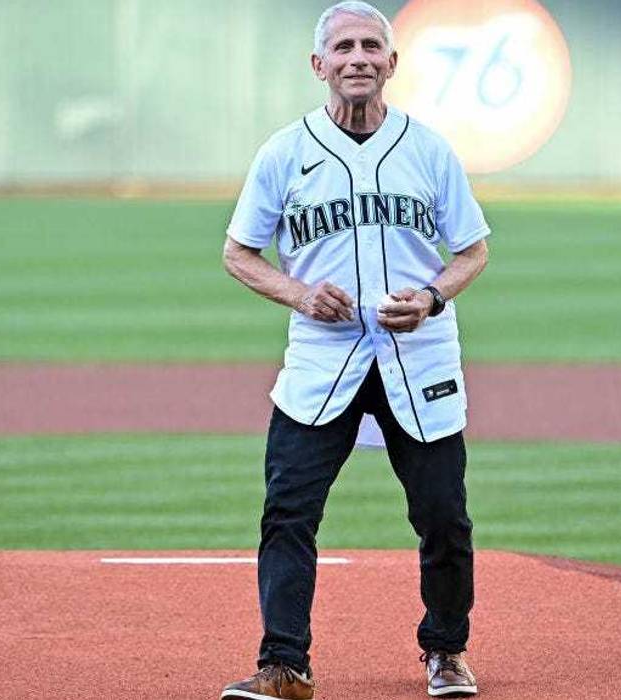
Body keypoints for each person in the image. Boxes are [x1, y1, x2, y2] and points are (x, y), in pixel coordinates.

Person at [219, 2, 490, 698]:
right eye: (343, 47)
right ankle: (284, 663)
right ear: (320, 65)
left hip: (419, 353)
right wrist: (298, 294)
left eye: (372, 46)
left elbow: (472, 250)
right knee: (288, 510)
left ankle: (446, 651)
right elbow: (238, 253)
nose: (359, 58)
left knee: (443, 517)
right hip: (321, 356)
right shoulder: (286, 151)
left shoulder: (427, 149)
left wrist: (431, 296)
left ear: (392, 64)